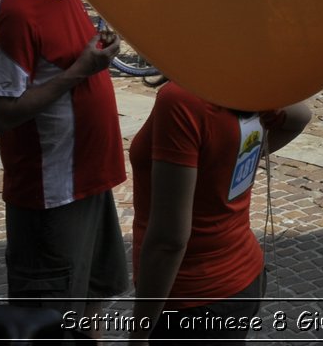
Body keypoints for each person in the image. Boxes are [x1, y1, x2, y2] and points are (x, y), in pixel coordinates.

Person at [0, 0, 127, 323]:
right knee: (50, 321)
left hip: (90, 183)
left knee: (92, 303)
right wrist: (81, 70)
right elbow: (2, 113)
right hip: (51, 197)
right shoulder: (18, 10)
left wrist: (96, 56)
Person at [129, 89, 310, 342]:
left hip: (192, 301)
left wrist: (139, 333)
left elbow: (169, 241)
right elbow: (300, 116)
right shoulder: (238, 84)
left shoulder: (182, 98)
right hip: (244, 277)